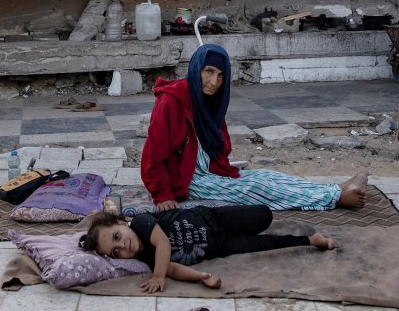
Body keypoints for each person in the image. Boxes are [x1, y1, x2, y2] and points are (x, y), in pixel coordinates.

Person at [141, 43, 368, 212]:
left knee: (267, 176)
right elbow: (152, 158)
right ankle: (334, 198)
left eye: (220, 76)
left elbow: (220, 145)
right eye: (208, 71)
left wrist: (225, 171)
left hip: (213, 171)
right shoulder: (170, 102)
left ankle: (336, 187)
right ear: (196, 68)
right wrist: (163, 195)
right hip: (188, 180)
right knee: (256, 189)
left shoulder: (208, 100)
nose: (214, 82)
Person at [80, 205, 338, 293]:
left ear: (121, 223)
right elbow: (172, 269)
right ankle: (310, 240)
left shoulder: (141, 222)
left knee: (264, 216)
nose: (122, 245)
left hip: (215, 219)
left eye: (117, 236)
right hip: (219, 246)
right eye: (116, 252)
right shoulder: (147, 260)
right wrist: (201, 276)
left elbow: (163, 244)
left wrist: (158, 276)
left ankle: (265, 224)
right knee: (260, 245)